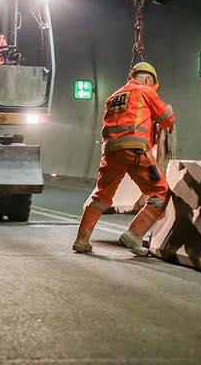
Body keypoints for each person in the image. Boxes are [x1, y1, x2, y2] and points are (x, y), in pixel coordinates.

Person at [73, 62, 175, 256]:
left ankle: (81, 240)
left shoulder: (113, 97)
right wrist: (168, 109)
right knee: (159, 192)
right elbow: (166, 119)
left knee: (101, 196)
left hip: (111, 152)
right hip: (135, 150)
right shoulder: (145, 90)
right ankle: (134, 234)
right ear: (148, 79)